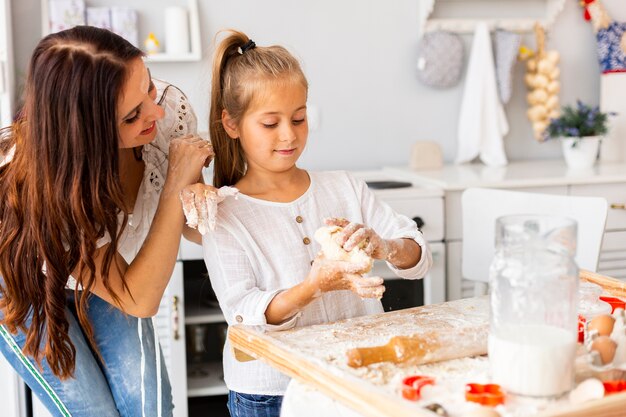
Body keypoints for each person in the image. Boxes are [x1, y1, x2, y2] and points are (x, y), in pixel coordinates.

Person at [203, 30, 433, 417]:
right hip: (272, 391)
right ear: (231, 124)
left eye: (299, 118)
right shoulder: (224, 213)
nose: (289, 135)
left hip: (357, 375)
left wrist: (386, 247)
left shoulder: (344, 187)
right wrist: (314, 286)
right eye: (270, 123)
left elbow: (417, 254)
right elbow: (243, 311)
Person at [0, 26, 214, 416]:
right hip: (21, 279)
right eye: (133, 116)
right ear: (85, 135)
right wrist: (173, 188)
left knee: (150, 408)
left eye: (148, 87)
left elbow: (192, 227)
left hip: (104, 265)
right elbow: (141, 299)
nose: (157, 112)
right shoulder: (50, 188)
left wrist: (206, 196)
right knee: (94, 411)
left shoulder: (167, 111)